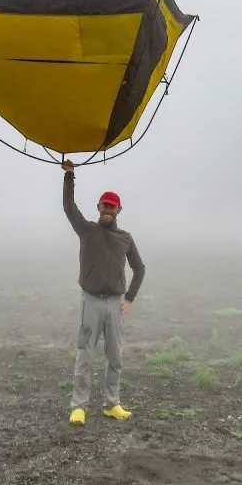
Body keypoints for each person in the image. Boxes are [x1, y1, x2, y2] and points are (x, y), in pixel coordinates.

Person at [61, 159, 145, 426]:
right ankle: (79, 406)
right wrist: (69, 177)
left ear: (118, 209)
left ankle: (112, 404)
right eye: (104, 205)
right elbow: (68, 207)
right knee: (85, 353)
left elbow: (140, 269)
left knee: (115, 356)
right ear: (98, 208)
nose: (107, 209)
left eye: (112, 206)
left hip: (115, 304)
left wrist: (129, 298)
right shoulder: (87, 231)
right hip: (92, 301)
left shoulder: (125, 238)